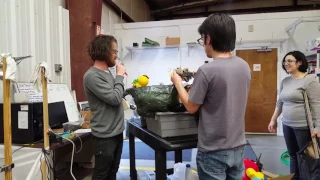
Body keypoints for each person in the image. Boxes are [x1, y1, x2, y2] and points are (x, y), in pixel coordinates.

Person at [170, 13, 251, 180]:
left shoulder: (207, 70)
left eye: (202, 39)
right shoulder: (244, 66)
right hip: (238, 146)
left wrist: (177, 82)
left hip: (213, 150)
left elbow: (191, 107)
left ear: (208, 38)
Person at [268, 50, 320, 179]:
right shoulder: (285, 81)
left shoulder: (310, 80)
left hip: (303, 127)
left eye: (289, 61)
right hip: (287, 125)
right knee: (292, 156)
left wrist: (318, 127)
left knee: (305, 158)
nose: (286, 64)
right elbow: (280, 102)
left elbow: (316, 106)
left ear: (299, 62)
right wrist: (273, 120)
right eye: (285, 61)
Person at [83, 35, 126, 180]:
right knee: (102, 175)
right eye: (114, 51)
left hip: (116, 133)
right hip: (105, 137)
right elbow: (114, 99)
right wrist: (120, 76)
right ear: (105, 51)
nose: (116, 55)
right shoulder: (92, 76)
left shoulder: (106, 73)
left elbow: (116, 94)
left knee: (112, 172)